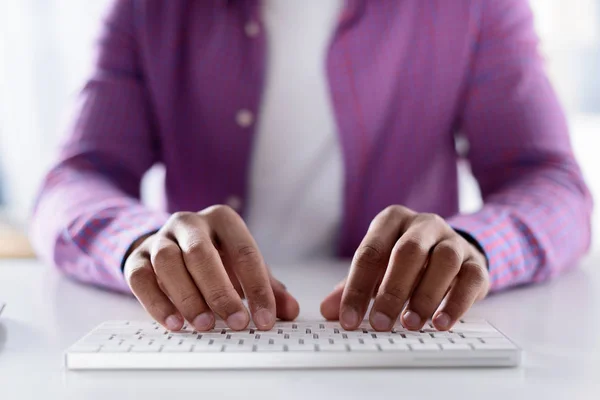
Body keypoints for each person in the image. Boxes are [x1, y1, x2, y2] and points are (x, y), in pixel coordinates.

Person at [31, 0, 592, 333]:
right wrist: (143, 242)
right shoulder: (148, 8)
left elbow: (552, 184)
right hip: (208, 346)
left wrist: (472, 242)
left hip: (393, 343)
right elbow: (76, 178)